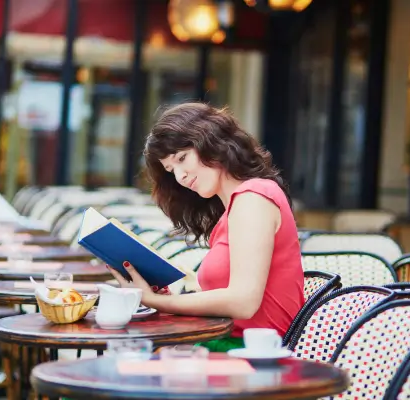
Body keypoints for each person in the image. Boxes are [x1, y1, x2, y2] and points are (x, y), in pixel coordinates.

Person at [107, 103, 305, 351]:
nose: (180, 176)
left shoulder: (254, 196)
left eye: (182, 158)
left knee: (105, 374)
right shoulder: (232, 210)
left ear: (212, 142)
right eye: (171, 170)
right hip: (223, 344)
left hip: (253, 356)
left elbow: (244, 302)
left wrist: (158, 302)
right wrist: (167, 298)